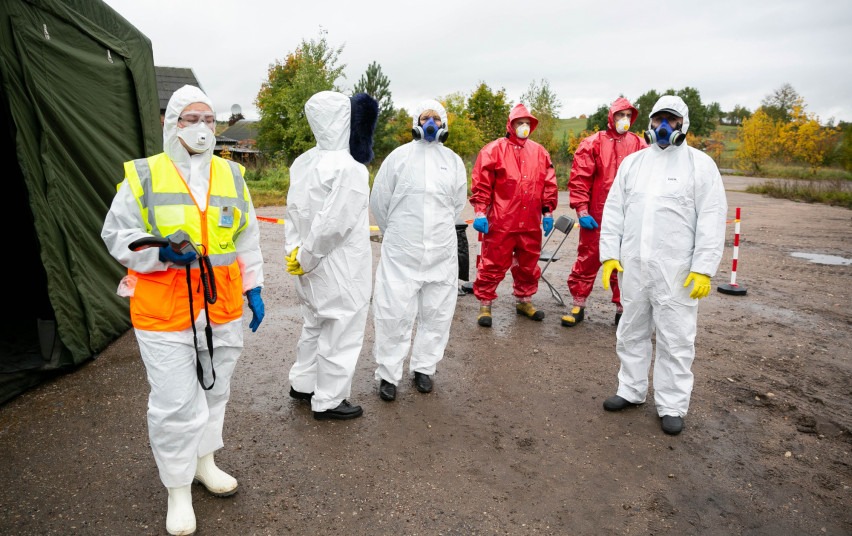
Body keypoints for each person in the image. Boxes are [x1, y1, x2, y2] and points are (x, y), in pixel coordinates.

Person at [101, 85, 265, 535]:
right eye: (192, 119)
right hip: (165, 309)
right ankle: (177, 489)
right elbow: (117, 235)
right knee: (175, 403)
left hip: (222, 305)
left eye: (210, 120)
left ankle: (204, 463)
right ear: (173, 124)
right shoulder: (144, 175)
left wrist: (254, 287)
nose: (203, 128)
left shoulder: (232, 176)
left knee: (215, 392)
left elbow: (247, 237)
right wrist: (158, 254)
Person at [598, 95, 728, 436]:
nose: (663, 127)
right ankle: (631, 389)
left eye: (670, 120)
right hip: (635, 268)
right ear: (651, 123)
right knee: (631, 331)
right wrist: (610, 255)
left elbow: (712, 220)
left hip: (678, 273)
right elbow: (614, 213)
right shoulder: (634, 164)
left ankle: (671, 404)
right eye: (658, 120)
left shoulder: (700, 166)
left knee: (676, 338)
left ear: (683, 125)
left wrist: (703, 268)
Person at [284, 90, 378, 420]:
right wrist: (309, 255)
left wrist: (295, 252)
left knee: (314, 323)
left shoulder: (304, 162)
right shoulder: (350, 169)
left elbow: (293, 211)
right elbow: (333, 225)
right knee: (341, 329)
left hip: (309, 265)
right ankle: (329, 400)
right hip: (340, 267)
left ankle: (303, 383)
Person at [370, 100, 467, 401]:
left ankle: (424, 368)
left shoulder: (452, 161)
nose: (431, 123)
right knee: (394, 313)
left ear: (444, 124)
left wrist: (436, 232)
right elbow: (380, 202)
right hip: (402, 252)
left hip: (441, 252)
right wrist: (397, 233)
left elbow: (457, 205)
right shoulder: (398, 158)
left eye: (436, 119)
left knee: (437, 313)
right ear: (416, 122)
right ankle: (388, 374)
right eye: (426, 118)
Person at [469, 103, 559, 327]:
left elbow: (548, 183)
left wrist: (547, 211)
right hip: (501, 222)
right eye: (520, 123)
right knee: (492, 264)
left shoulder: (539, 152)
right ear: (511, 124)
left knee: (528, 265)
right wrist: (480, 211)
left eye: (528, 123)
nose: (524, 127)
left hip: (529, 223)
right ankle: (485, 305)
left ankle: (524, 301)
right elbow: (482, 184)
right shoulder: (494, 150)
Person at [562, 97, 647, 328]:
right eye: (621, 115)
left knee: (625, 263)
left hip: (629, 217)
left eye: (629, 116)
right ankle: (578, 305)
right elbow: (580, 179)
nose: (625, 120)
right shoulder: (593, 143)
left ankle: (623, 309)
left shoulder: (640, 145)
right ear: (612, 117)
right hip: (596, 217)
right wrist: (581, 209)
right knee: (587, 259)